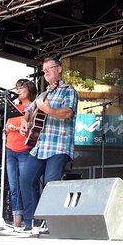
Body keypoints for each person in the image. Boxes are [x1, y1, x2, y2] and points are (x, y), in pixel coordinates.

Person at [19, 58, 78, 229]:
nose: (45, 72)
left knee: (51, 183)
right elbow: (28, 112)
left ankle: (52, 223)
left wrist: (47, 110)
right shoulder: (42, 95)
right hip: (40, 146)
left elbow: (67, 113)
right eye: (43, 69)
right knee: (25, 179)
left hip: (58, 145)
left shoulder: (69, 91)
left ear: (59, 69)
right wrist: (25, 121)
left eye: (49, 68)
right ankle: (32, 221)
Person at [4, 79, 37, 227]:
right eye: (17, 87)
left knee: (25, 184)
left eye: (21, 88)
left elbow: (32, 128)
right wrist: (10, 128)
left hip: (24, 150)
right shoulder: (13, 107)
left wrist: (15, 128)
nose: (18, 90)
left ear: (29, 89)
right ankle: (16, 220)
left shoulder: (33, 107)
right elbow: (6, 128)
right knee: (13, 186)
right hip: (10, 148)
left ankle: (30, 218)